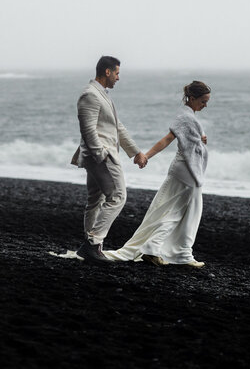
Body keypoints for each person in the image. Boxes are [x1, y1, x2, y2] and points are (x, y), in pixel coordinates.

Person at [105, 81, 211, 268]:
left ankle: (180, 252)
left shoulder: (187, 116)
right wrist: (146, 155)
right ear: (192, 98)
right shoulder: (186, 117)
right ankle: (164, 250)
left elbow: (185, 140)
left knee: (183, 211)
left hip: (184, 169)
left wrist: (200, 140)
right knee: (181, 212)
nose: (205, 105)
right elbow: (167, 140)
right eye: (203, 101)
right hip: (186, 170)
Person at [71, 56, 148, 263]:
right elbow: (87, 130)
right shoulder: (90, 95)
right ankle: (93, 244)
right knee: (118, 196)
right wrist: (100, 155)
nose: (118, 78)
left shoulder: (101, 94)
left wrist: (136, 152)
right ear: (107, 72)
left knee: (95, 200)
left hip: (98, 156)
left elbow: (117, 127)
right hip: (101, 156)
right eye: (117, 73)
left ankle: (91, 246)